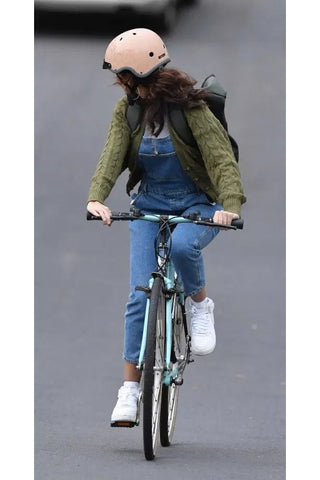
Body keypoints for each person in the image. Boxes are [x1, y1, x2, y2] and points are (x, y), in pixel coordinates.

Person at [87, 28, 246, 426]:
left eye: (126, 79)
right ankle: (129, 392)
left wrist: (228, 207)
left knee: (180, 248)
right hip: (148, 206)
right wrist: (97, 197)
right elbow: (112, 156)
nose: (123, 86)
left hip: (197, 206)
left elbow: (222, 160)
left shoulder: (190, 109)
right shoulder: (128, 112)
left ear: (143, 75)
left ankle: (199, 305)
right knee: (140, 296)